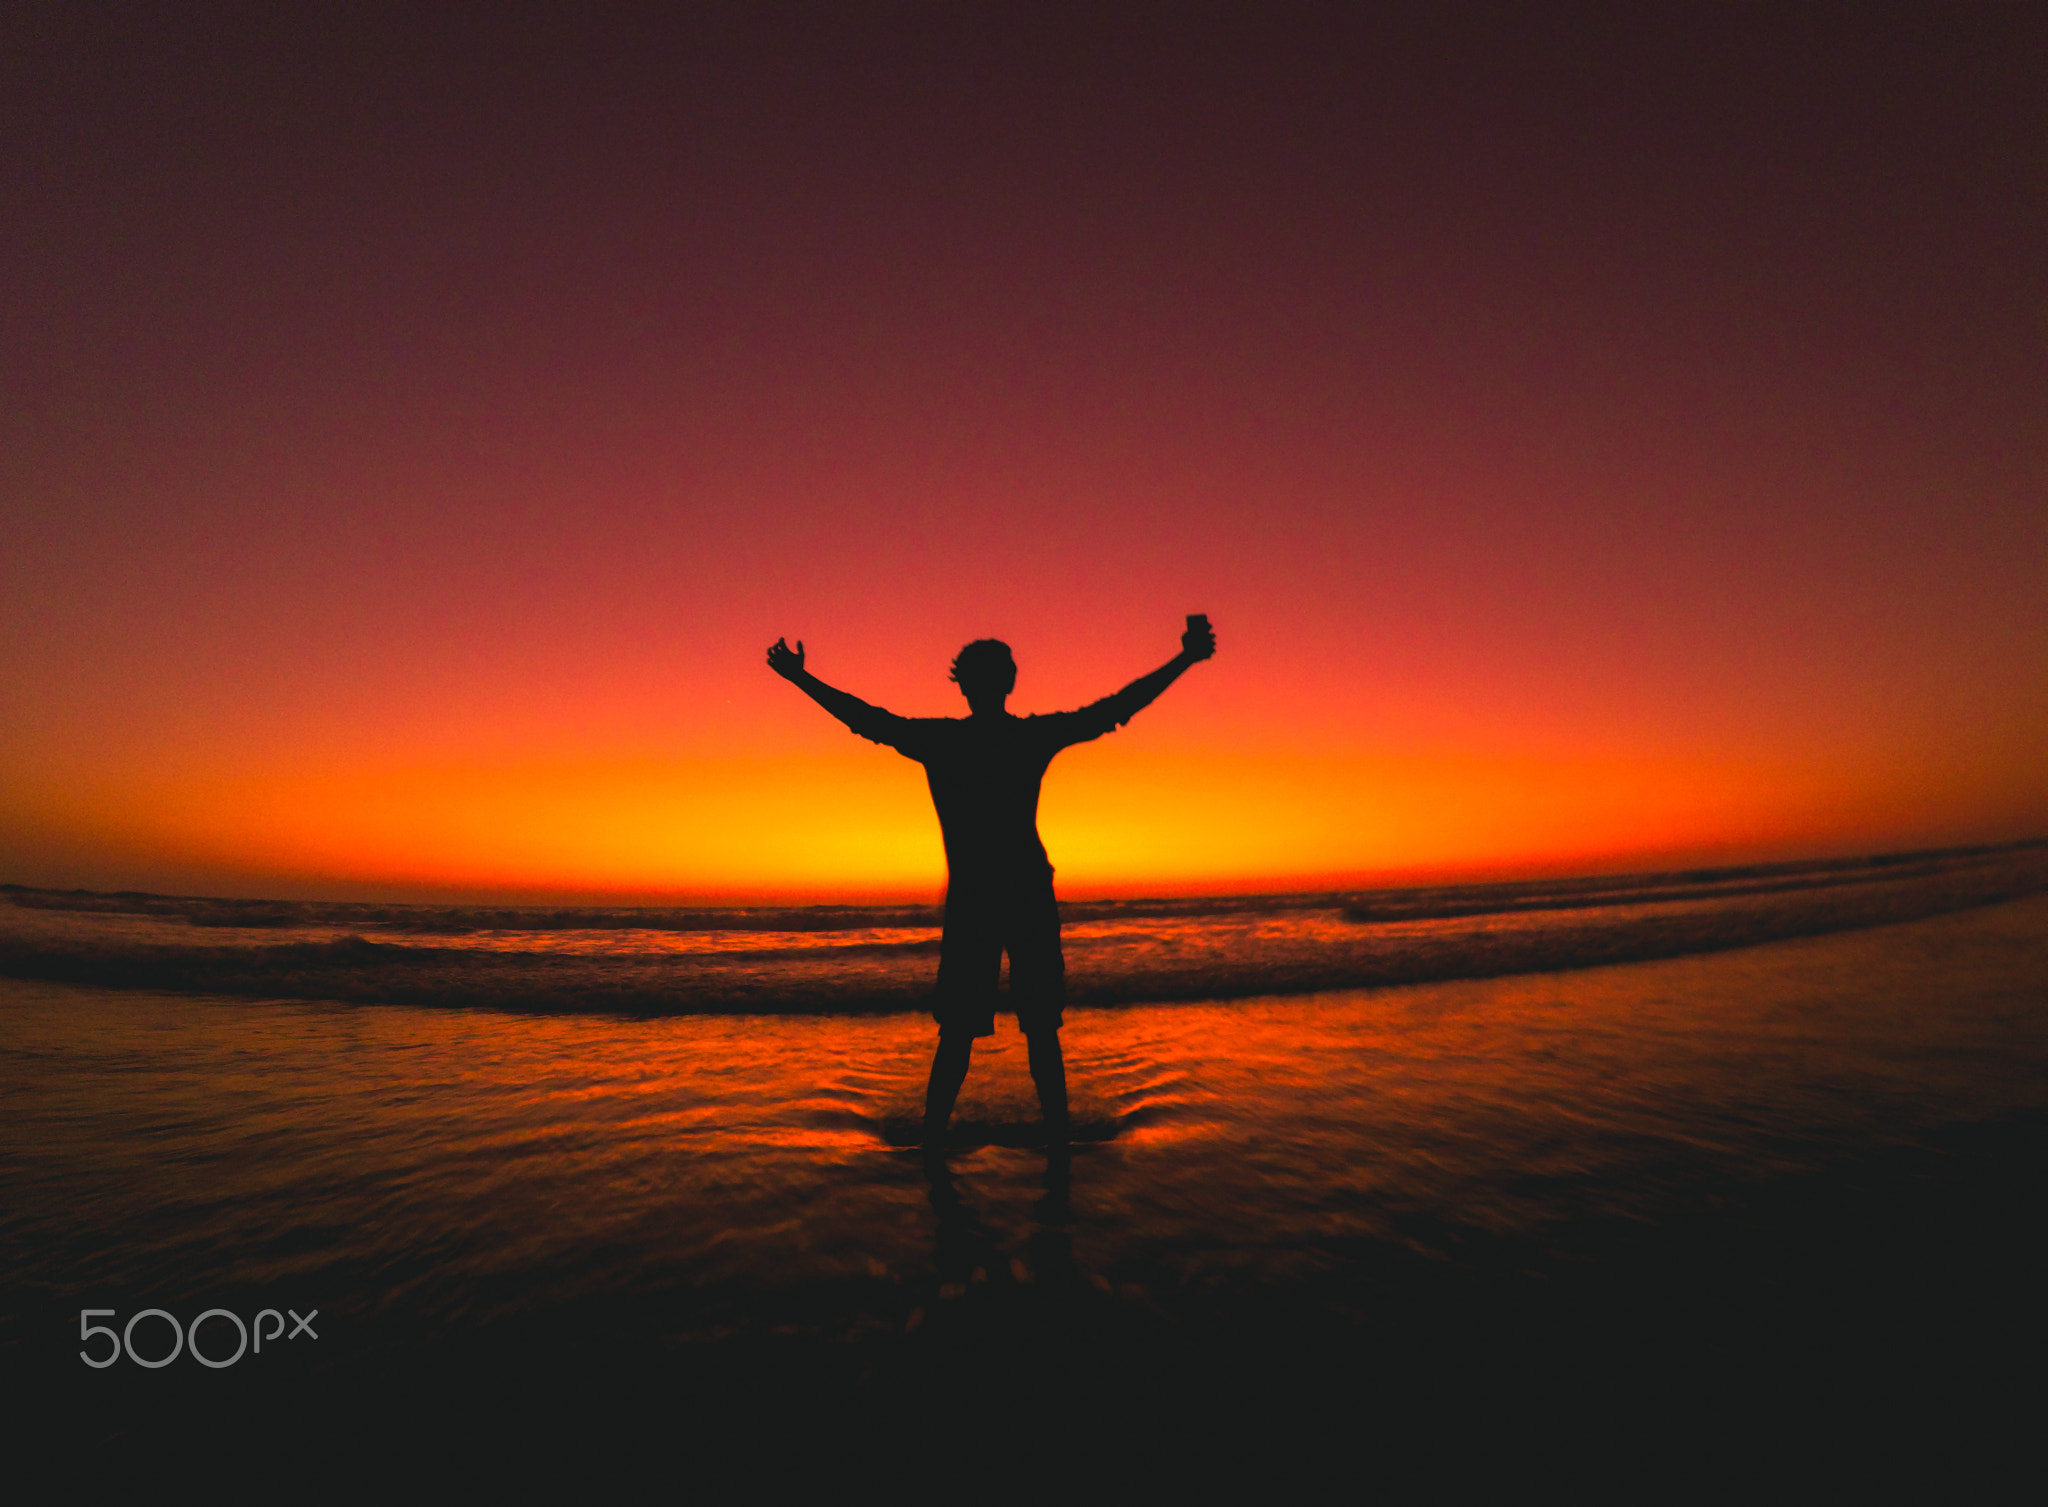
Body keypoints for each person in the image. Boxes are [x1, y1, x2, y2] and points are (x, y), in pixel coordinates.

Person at [765, 616, 1218, 1148]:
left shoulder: (941, 740)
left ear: (962, 683)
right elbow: (1114, 711)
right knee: (1039, 1028)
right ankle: (1055, 1143)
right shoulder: (1026, 737)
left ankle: (935, 1142)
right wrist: (1184, 659)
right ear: (1009, 682)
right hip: (1025, 892)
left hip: (977, 900)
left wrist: (800, 679)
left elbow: (865, 720)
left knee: (959, 1030)